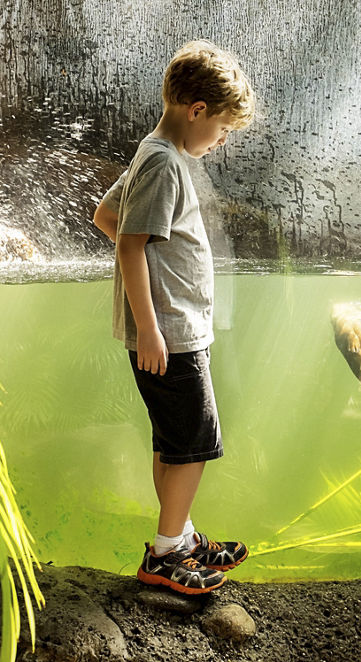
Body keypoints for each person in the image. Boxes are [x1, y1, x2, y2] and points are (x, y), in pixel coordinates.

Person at [93, 39, 255, 594]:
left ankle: (179, 537)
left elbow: (106, 216)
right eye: (223, 128)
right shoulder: (164, 162)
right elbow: (130, 244)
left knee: (173, 440)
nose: (222, 139)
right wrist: (154, 328)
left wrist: (150, 311)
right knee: (194, 443)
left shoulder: (154, 152)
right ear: (197, 111)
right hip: (172, 335)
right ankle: (165, 555)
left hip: (168, 330)